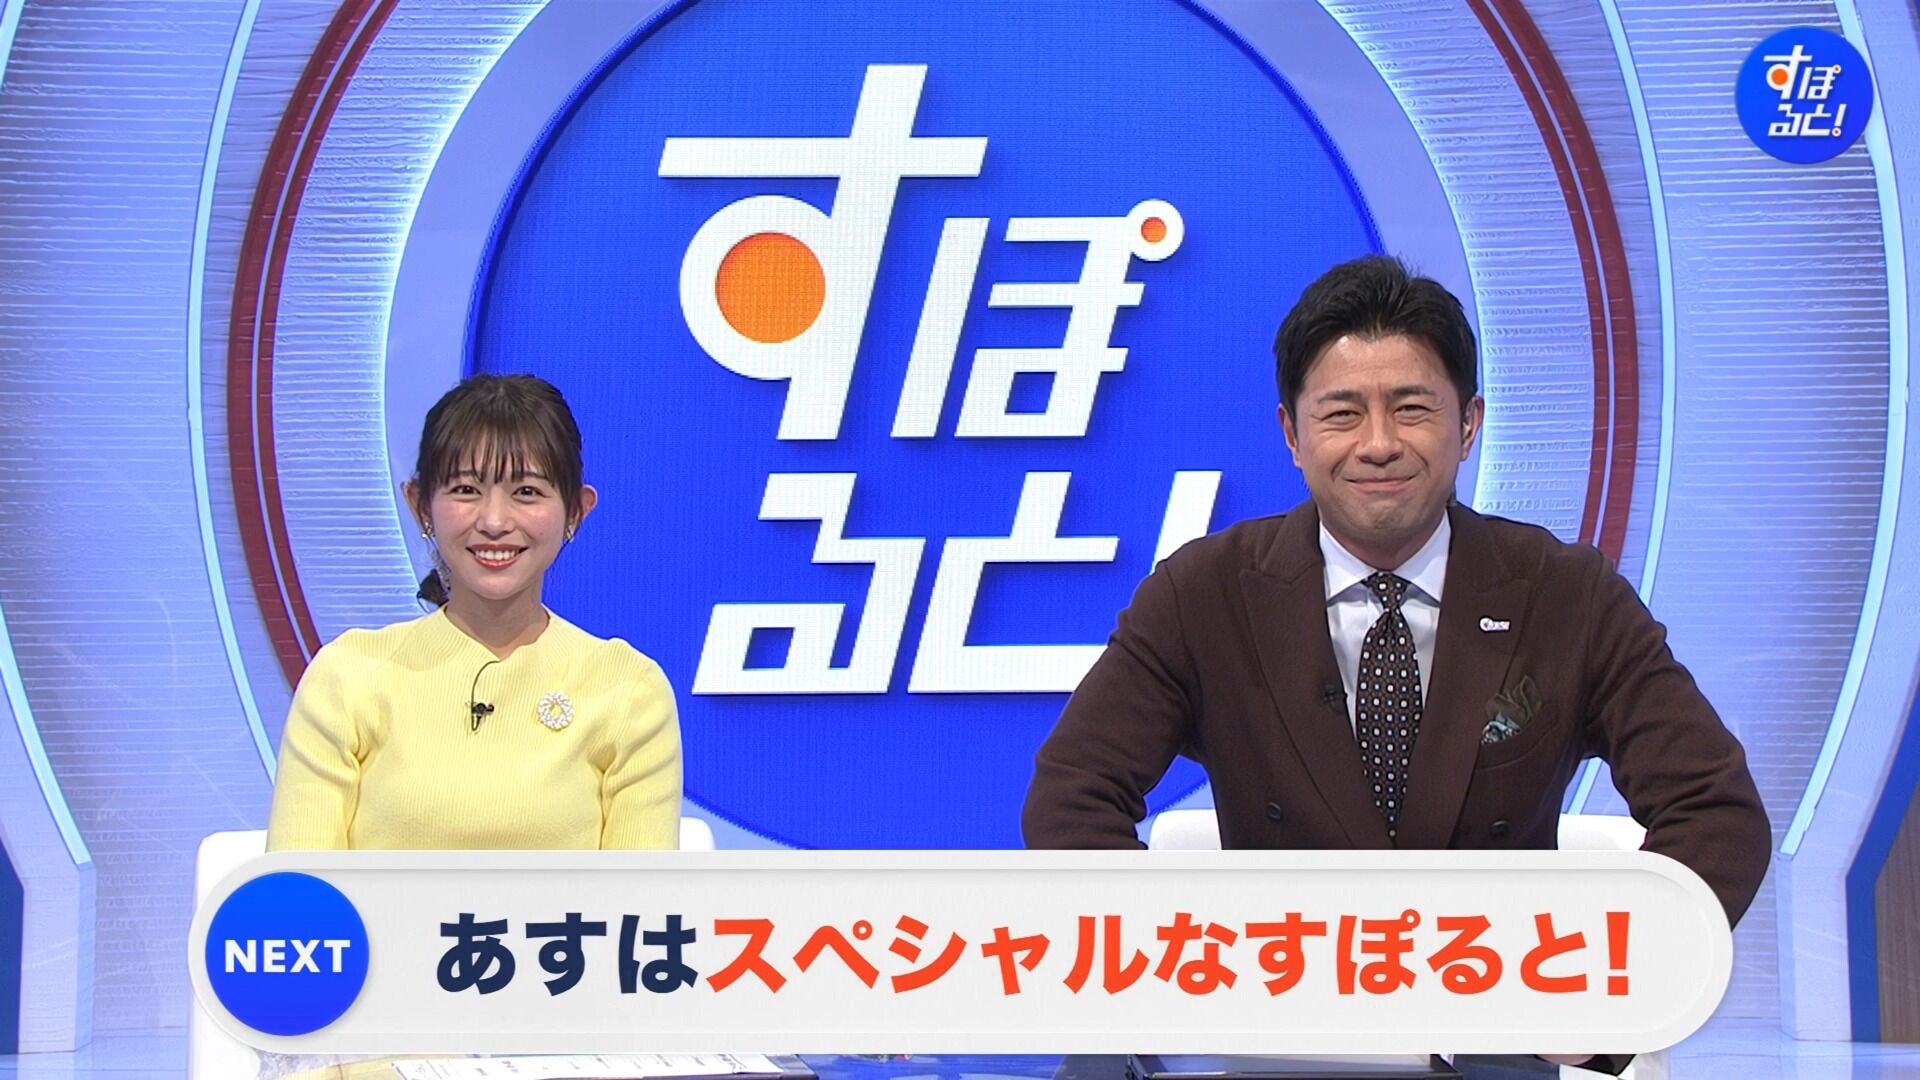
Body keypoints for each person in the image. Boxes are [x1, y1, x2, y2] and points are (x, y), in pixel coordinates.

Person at [1022, 254, 1770, 923]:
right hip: (1276, 1007)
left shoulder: (1568, 594)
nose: (1378, 444)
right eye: (1342, 414)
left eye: (1412, 409)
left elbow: (1715, 814)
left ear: (1468, 424)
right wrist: (1183, 966)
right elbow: (1070, 798)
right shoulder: (1202, 595)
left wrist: (1590, 980)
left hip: (1499, 1007)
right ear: (1292, 435)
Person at [267, 373, 681, 850]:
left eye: (527, 492)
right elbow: (298, 888)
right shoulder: (348, 678)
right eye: (465, 490)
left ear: (575, 511)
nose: (494, 521)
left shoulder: (627, 689)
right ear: (421, 506)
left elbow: (639, 894)